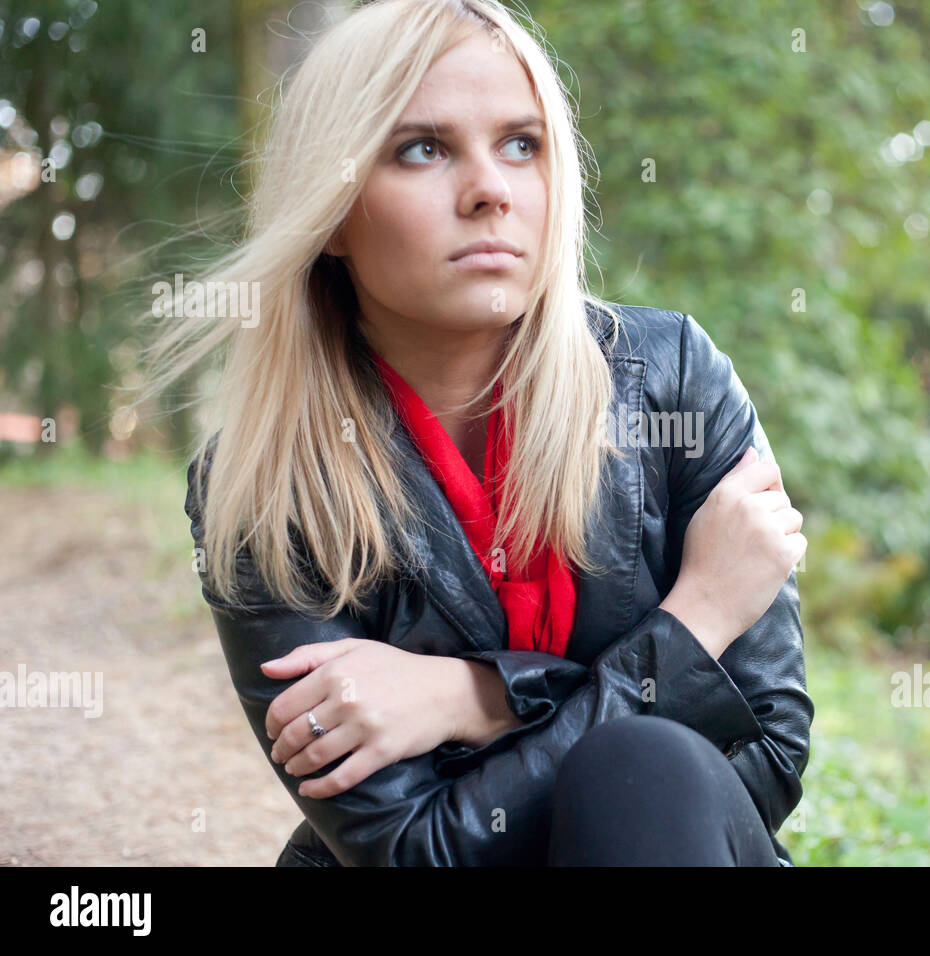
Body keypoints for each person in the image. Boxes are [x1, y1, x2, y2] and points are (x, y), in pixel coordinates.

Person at [139, 0, 812, 866]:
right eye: (422, 147)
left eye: (521, 144)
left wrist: (474, 698)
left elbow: (763, 755)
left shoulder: (673, 378)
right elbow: (411, 850)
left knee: (645, 768)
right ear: (333, 211)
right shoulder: (268, 486)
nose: (491, 188)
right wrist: (698, 620)